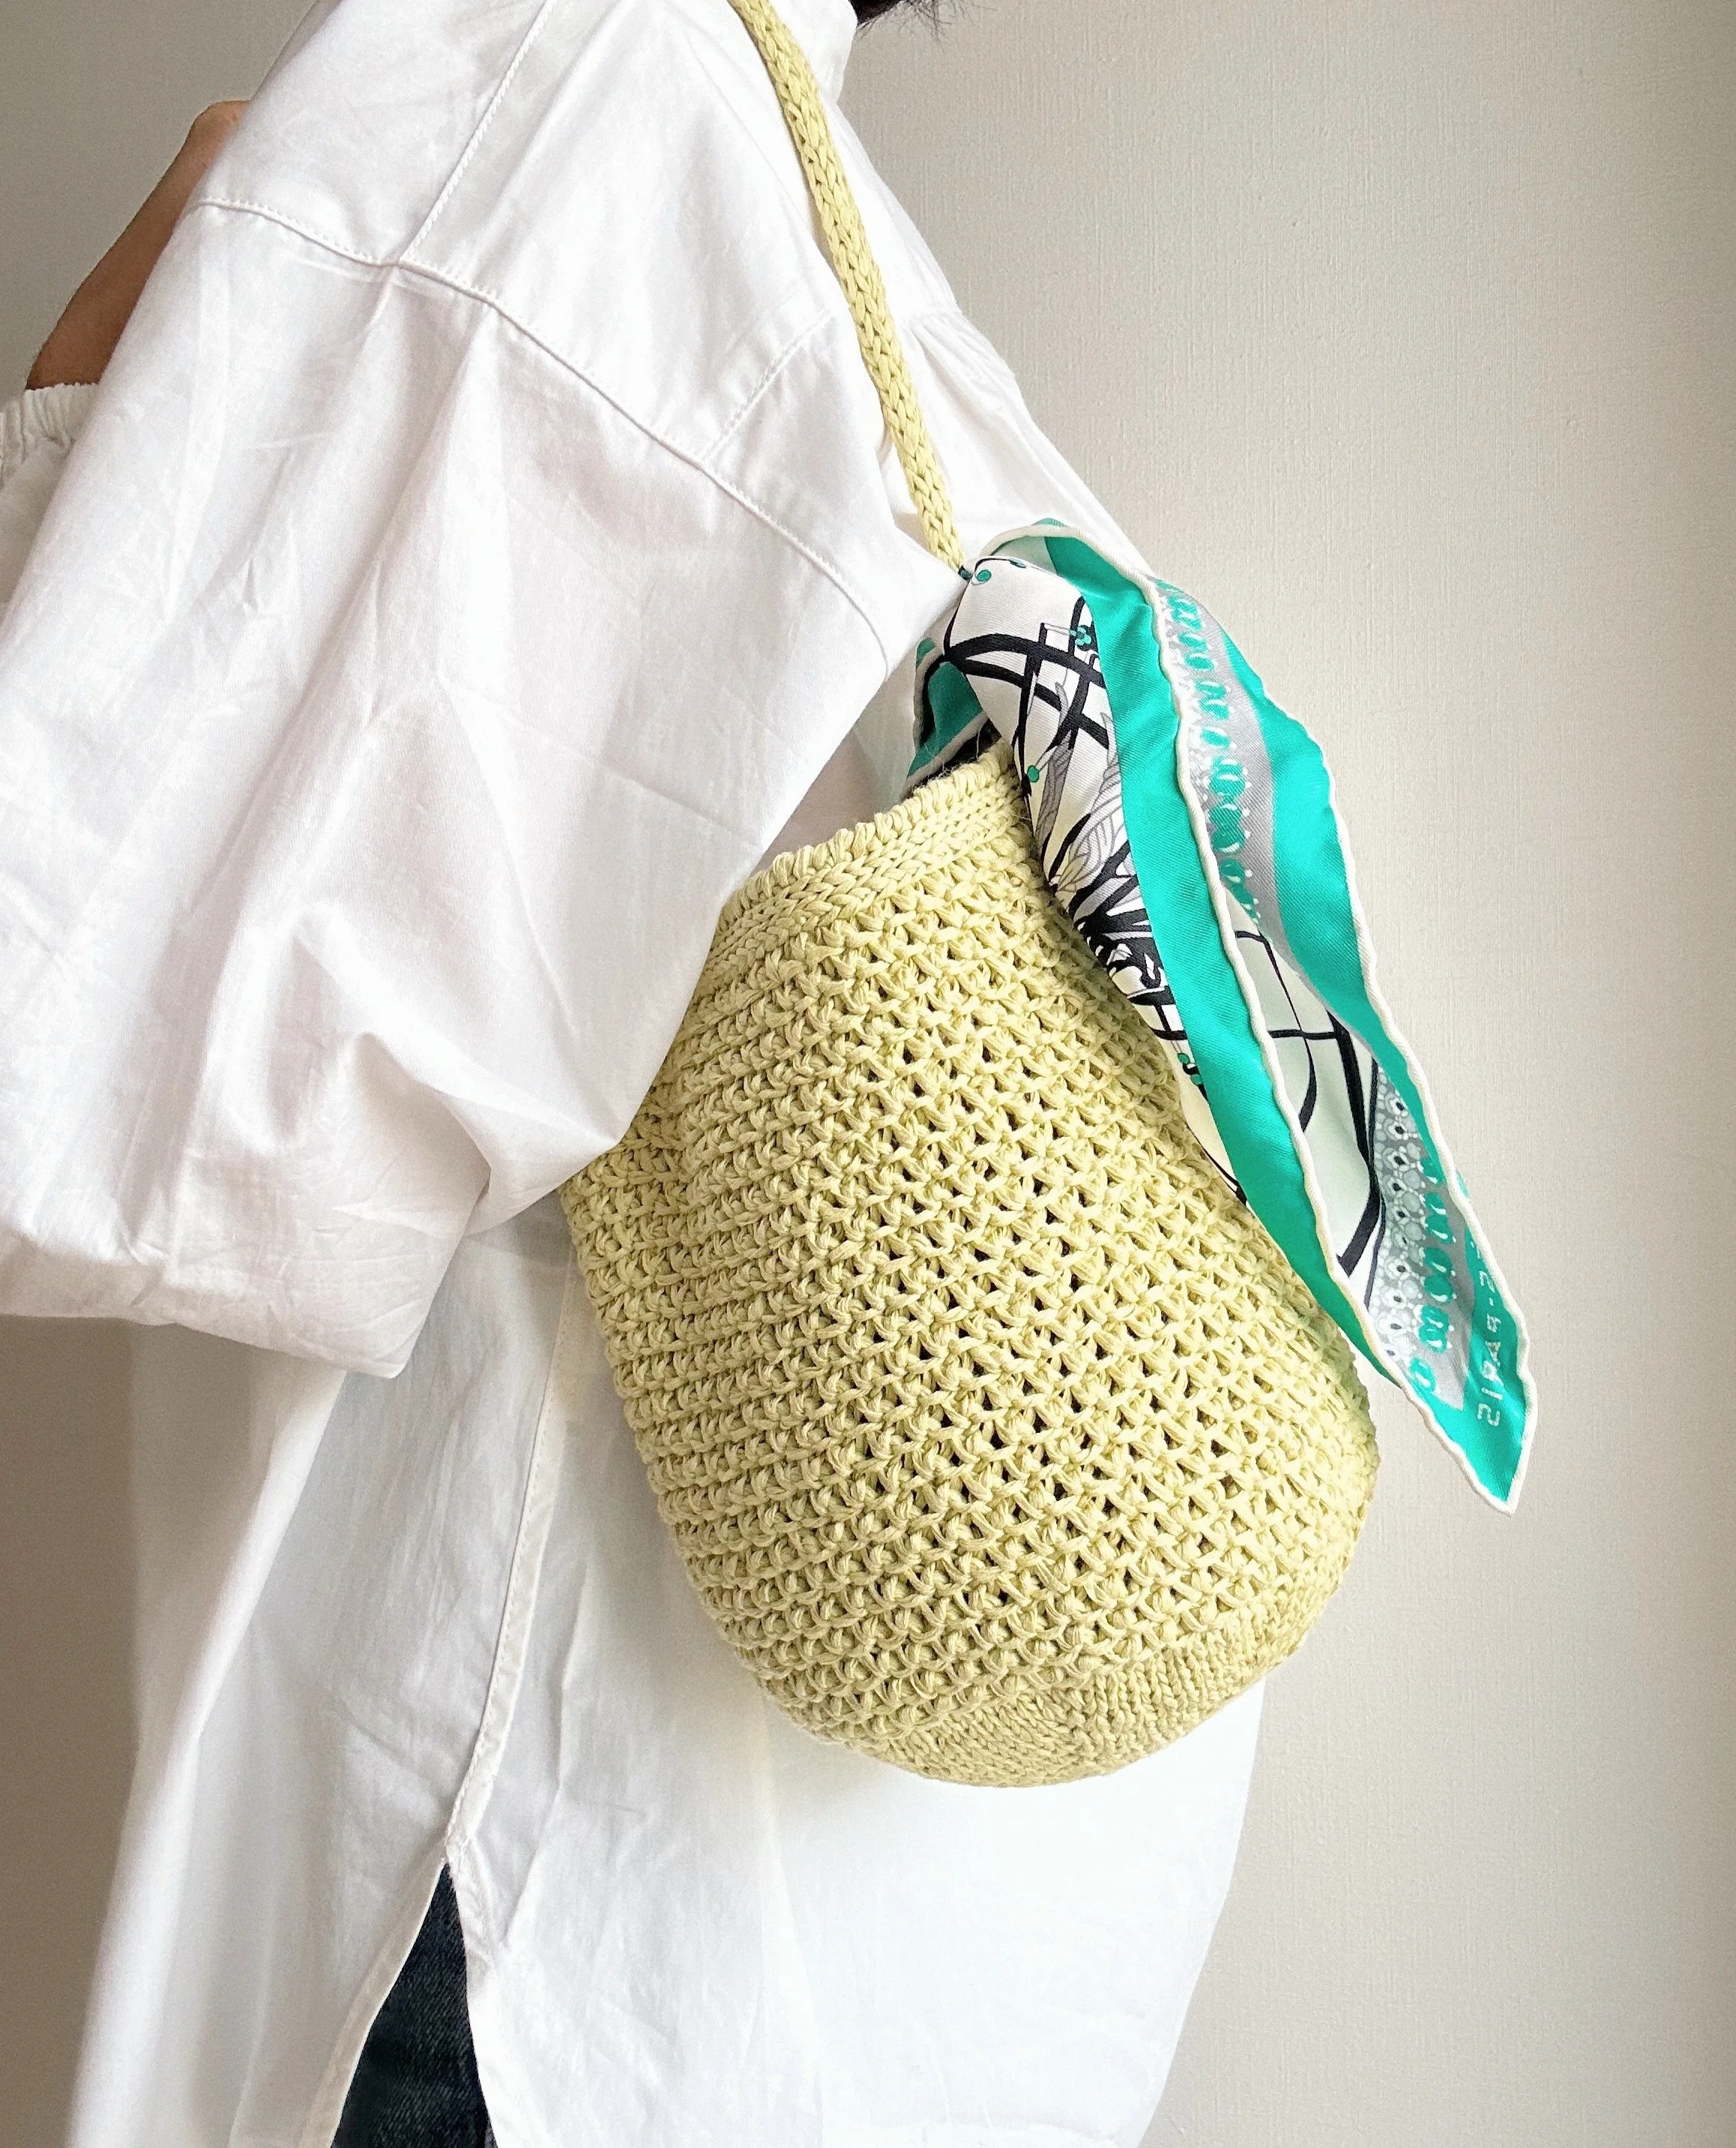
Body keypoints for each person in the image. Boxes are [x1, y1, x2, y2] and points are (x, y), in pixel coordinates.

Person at [0, 2, 1264, 2144]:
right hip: (912, 1931)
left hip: (550, 1913)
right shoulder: (848, 274)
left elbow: (97, 1079)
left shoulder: (538, 90)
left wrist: (77, 419)